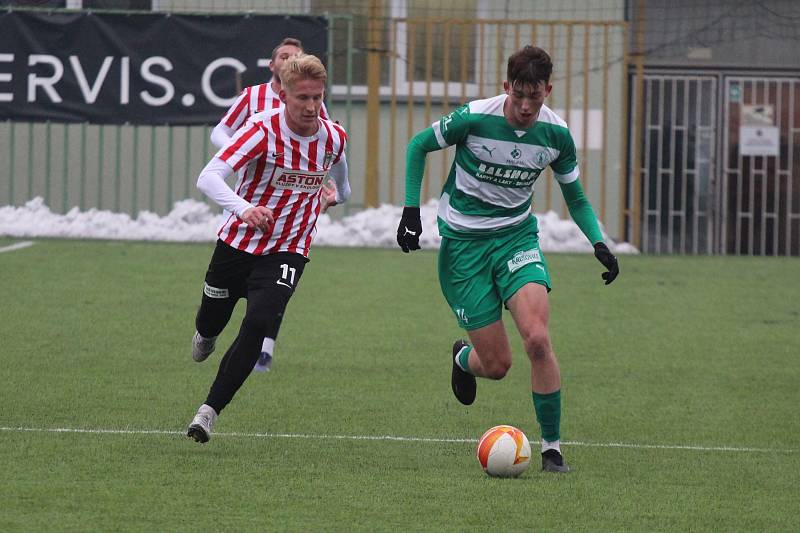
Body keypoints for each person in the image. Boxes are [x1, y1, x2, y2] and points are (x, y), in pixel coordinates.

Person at [396, 45, 619, 473]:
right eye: (518, 95)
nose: (524, 106)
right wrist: (410, 211)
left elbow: (575, 195)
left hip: (516, 239)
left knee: (537, 338)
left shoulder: (556, 134)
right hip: (463, 247)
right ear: (506, 87)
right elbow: (417, 146)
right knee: (497, 366)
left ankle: (552, 449)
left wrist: (599, 242)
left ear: (547, 90)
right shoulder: (475, 117)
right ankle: (463, 359)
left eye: (534, 97)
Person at [187, 53, 350, 443]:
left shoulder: (334, 137)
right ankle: (206, 333)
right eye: (303, 99)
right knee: (211, 321)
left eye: (318, 97)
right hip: (238, 244)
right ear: (283, 95)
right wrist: (244, 209)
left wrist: (329, 198)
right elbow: (208, 178)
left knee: (260, 322)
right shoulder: (262, 129)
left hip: (289, 248)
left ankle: (208, 412)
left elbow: (343, 190)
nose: (312, 107)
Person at [209, 36, 331, 373]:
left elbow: (329, 146)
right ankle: (211, 329)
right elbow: (220, 133)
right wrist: (243, 152)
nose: (310, 105)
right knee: (219, 300)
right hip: (249, 198)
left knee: (274, 287)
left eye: (297, 55)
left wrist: (328, 186)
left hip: (288, 218)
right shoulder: (253, 98)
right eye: (284, 55)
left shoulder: (312, 100)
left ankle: (264, 346)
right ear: (273, 65)